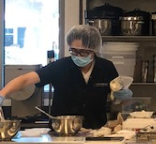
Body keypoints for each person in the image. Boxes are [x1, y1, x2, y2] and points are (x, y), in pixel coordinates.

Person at [0, 25, 132, 129]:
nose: (78, 56)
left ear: (94, 50)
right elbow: (26, 79)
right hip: (63, 131)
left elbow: (118, 96)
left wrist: (124, 95)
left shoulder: (106, 67)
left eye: (84, 52)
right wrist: (2, 94)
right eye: (74, 51)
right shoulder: (60, 67)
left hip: (96, 132)